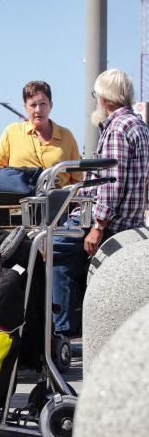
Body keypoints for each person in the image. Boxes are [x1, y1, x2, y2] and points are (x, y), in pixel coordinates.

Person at [52, 69, 149, 335]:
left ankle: (61, 333)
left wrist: (98, 225)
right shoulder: (138, 124)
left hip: (112, 223)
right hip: (132, 220)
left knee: (52, 247)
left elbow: (110, 183)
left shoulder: (116, 129)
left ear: (105, 97)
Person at [0, 81, 83, 187]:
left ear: (51, 105)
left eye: (43, 104)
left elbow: (77, 178)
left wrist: (63, 196)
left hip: (57, 202)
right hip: (18, 202)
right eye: (33, 105)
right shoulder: (12, 132)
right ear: (25, 107)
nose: (38, 110)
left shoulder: (66, 136)